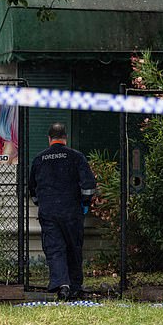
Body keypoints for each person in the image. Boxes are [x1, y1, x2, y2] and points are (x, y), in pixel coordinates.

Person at [28, 123, 97, 301]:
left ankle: (62, 285)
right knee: (73, 247)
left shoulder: (39, 159)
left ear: (49, 139)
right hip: (71, 211)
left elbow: (33, 190)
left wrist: (42, 203)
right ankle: (75, 286)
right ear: (65, 138)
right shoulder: (76, 157)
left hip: (49, 212)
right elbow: (88, 185)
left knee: (54, 249)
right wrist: (85, 203)